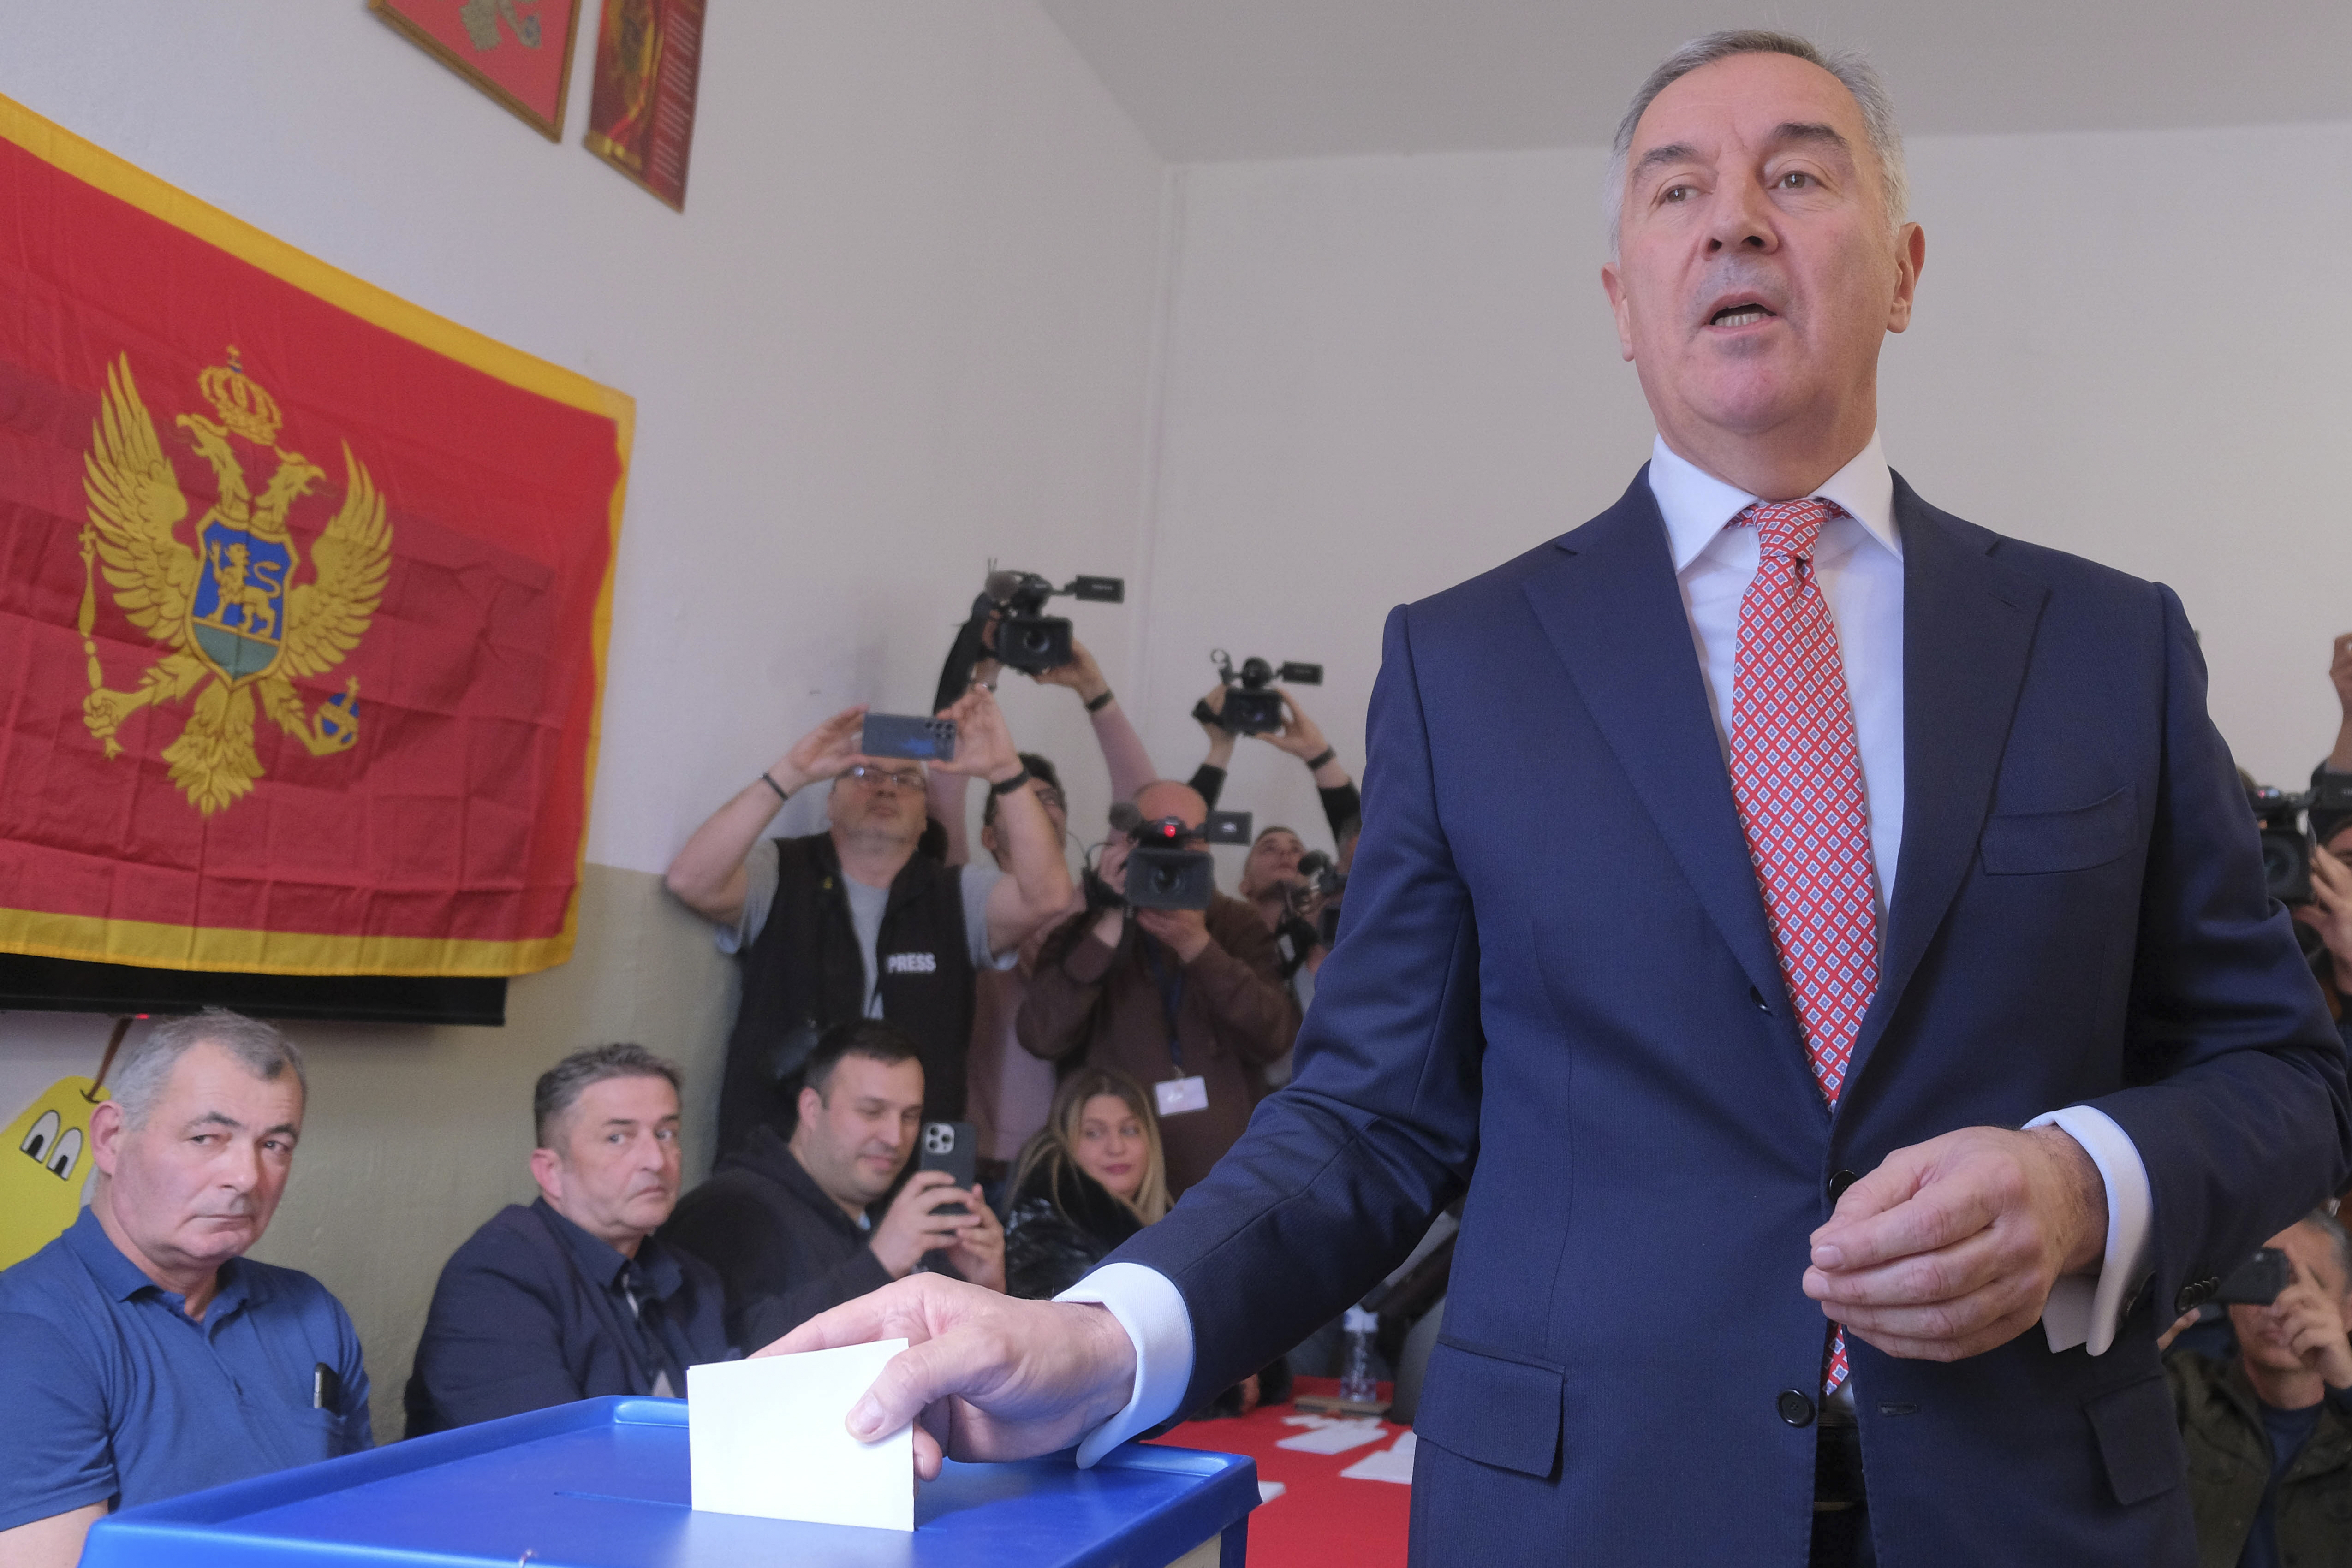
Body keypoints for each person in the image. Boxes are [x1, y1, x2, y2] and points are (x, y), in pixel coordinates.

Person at [774, 31, 2351, 1568]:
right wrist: (1101, 1334)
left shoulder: (2100, 644)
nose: (1732, 216)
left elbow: (2282, 1066)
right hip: (1581, 1510)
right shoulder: (1465, 664)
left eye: (1796, 176)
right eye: (1674, 191)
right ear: (1621, 300)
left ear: (1903, 267)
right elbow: (1364, 1119)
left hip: (2032, 1508)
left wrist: (2085, 1184)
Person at [0, 1011, 370, 1568]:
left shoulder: (313, 1311)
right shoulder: (32, 1331)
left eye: (274, 1145)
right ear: (110, 1139)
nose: (246, 1176)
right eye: (207, 1138)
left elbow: (365, 1527)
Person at [666, 682, 1072, 1152]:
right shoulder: (781, 872)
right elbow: (690, 881)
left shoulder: (956, 894)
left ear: (925, 819)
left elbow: (1048, 897)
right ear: (829, 802)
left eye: (906, 780)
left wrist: (1004, 770)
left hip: (913, 1167)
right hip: (778, 1158)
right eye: (864, 773)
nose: (885, 787)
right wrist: (791, 772)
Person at [404, 1045, 731, 1437]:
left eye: (666, 1134)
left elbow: (739, 1427)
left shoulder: (692, 1278)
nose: (656, 1160)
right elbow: (548, 1461)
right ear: (551, 1172)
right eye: (617, 1138)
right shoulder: (497, 1278)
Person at [928, 636, 1161, 1173]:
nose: (1035, 805)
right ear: (989, 835)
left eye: (1049, 798)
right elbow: (943, 784)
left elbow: (1144, 800)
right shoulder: (967, 899)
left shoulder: (1097, 905)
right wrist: (982, 673)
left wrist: (1093, 690)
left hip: (1078, 1154)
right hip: (979, 1152)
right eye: (1019, 794)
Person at [1016, 779, 1298, 1193]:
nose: (1173, 851)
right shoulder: (1083, 929)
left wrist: (1198, 947)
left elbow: (1276, 1036)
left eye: (1188, 838)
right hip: (1112, 1189)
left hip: (1225, 1183)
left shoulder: (1237, 924)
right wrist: (1111, 920)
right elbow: (1041, 1035)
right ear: (1125, 843)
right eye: (1156, 836)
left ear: (1207, 847)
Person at [661, 1021, 1004, 1347]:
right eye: (872, 1112)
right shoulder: (728, 1211)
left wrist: (987, 1291)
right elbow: (728, 1357)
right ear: (811, 1109)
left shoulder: (905, 1218)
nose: (894, 1137)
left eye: (910, 1117)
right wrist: (877, 1266)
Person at [2161, 1211, 2352, 1568]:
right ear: (2230, 1302)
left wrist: (2347, 1386)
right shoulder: (2183, 1389)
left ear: (2347, 1309)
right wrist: (2133, 1358)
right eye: (2262, 1279)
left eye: (2306, 1286)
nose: (2281, 1306)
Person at [1001, 1066, 1172, 1301]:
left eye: (1129, 1131)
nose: (1116, 1148)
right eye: (1093, 1133)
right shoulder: (1044, 1227)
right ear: (1065, 1144)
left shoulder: (1172, 1224)